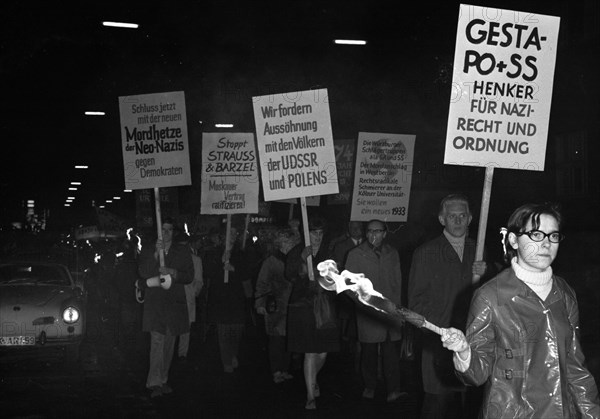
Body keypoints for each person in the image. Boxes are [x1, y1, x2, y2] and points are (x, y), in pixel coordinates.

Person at [442, 202, 600, 418]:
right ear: (514, 240)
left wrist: (592, 413)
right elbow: (476, 375)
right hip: (512, 412)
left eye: (553, 236)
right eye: (536, 234)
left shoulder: (564, 293)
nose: (546, 244)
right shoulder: (490, 296)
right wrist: (463, 351)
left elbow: (575, 367)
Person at [408, 194, 493, 419]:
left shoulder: (479, 250)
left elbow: (491, 299)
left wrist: (487, 275)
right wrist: (444, 330)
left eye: (462, 216)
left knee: (471, 406)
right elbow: (416, 303)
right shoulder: (426, 252)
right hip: (440, 341)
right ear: (441, 219)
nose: (457, 221)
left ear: (471, 218)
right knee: (436, 405)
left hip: (473, 342)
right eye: (451, 216)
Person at [345, 219, 405, 403]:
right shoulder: (356, 254)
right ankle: (369, 387)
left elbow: (398, 281)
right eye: (370, 231)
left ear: (385, 233)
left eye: (377, 231)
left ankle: (393, 390)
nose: (373, 235)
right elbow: (348, 285)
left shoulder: (392, 253)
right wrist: (363, 301)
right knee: (369, 351)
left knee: (390, 354)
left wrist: (398, 309)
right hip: (368, 311)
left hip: (389, 311)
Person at [286, 216, 340, 410]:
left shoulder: (329, 253)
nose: (317, 237)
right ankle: (310, 396)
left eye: (320, 233)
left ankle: (313, 378)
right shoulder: (296, 251)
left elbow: (334, 280)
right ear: (306, 234)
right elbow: (289, 275)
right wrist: (301, 259)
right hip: (303, 307)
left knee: (323, 352)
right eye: (313, 233)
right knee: (310, 351)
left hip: (323, 307)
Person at [137, 217, 194, 398]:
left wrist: (173, 272)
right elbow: (144, 273)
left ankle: (163, 379)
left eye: (170, 229)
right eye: (164, 229)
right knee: (157, 342)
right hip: (155, 305)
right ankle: (153, 383)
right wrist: (155, 254)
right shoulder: (148, 249)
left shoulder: (182, 250)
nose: (167, 233)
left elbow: (189, 276)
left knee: (169, 344)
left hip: (174, 305)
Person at [254, 226, 298, 384]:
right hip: (276, 306)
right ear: (279, 243)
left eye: (290, 241)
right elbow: (262, 283)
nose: (288, 244)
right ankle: (276, 371)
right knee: (276, 340)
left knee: (288, 339)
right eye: (285, 241)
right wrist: (260, 302)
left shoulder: (296, 259)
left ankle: (285, 369)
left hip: (292, 305)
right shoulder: (271, 261)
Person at [203, 224, 249, 373]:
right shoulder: (214, 253)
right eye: (231, 232)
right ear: (224, 236)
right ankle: (226, 360)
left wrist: (234, 269)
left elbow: (247, 274)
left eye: (236, 233)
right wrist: (220, 263)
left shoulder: (241, 253)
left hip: (236, 297)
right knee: (223, 330)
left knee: (236, 330)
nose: (234, 236)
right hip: (220, 297)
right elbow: (208, 272)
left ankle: (233, 353)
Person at [177, 236, 203, 362]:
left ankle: (182, 354)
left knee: (185, 330)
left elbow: (199, 281)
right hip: (173, 299)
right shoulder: (170, 260)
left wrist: (193, 292)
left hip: (187, 299)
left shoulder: (195, 260)